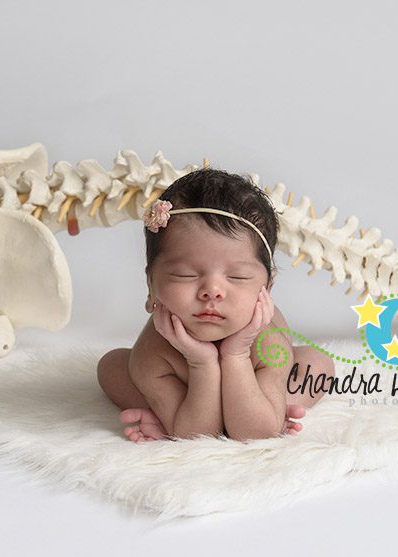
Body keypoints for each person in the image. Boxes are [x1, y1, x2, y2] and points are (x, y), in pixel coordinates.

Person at [97, 168, 335, 442]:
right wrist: (202, 363)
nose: (212, 291)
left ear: (266, 290)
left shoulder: (267, 344)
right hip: (186, 394)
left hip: (257, 378)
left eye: (237, 277)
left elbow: (256, 435)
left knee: (317, 365)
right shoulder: (155, 353)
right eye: (186, 274)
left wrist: (237, 354)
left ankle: (275, 404)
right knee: (112, 367)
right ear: (151, 285)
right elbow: (198, 435)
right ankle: (172, 409)